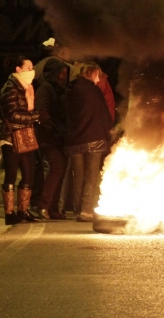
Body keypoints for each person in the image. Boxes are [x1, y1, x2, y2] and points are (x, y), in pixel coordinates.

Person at [65, 62, 112, 222]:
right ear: (91, 73)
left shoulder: (69, 90)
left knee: (78, 176)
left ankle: (77, 209)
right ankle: (86, 211)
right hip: (94, 138)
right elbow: (104, 114)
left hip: (74, 140)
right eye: (97, 75)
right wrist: (109, 134)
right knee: (91, 176)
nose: (98, 79)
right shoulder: (94, 91)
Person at [0, 55, 43, 224]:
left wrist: (33, 117)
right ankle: (9, 213)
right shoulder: (10, 88)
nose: (32, 71)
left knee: (28, 174)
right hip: (11, 137)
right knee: (11, 175)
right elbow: (12, 114)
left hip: (25, 135)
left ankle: (23, 211)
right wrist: (36, 116)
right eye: (28, 68)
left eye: (32, 68)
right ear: (18, 69)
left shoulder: (28, 88)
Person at [33, 57, 69, 219]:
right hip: (48, 137)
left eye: (65, 73)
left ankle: (53, 208)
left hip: (59, 136)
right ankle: (43, 206)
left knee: (60, 170)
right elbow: (42, 111)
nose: (64, 76)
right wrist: (53, 129)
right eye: (61, 73)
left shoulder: (59, 89)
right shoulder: (45, 89)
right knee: (56, 168)